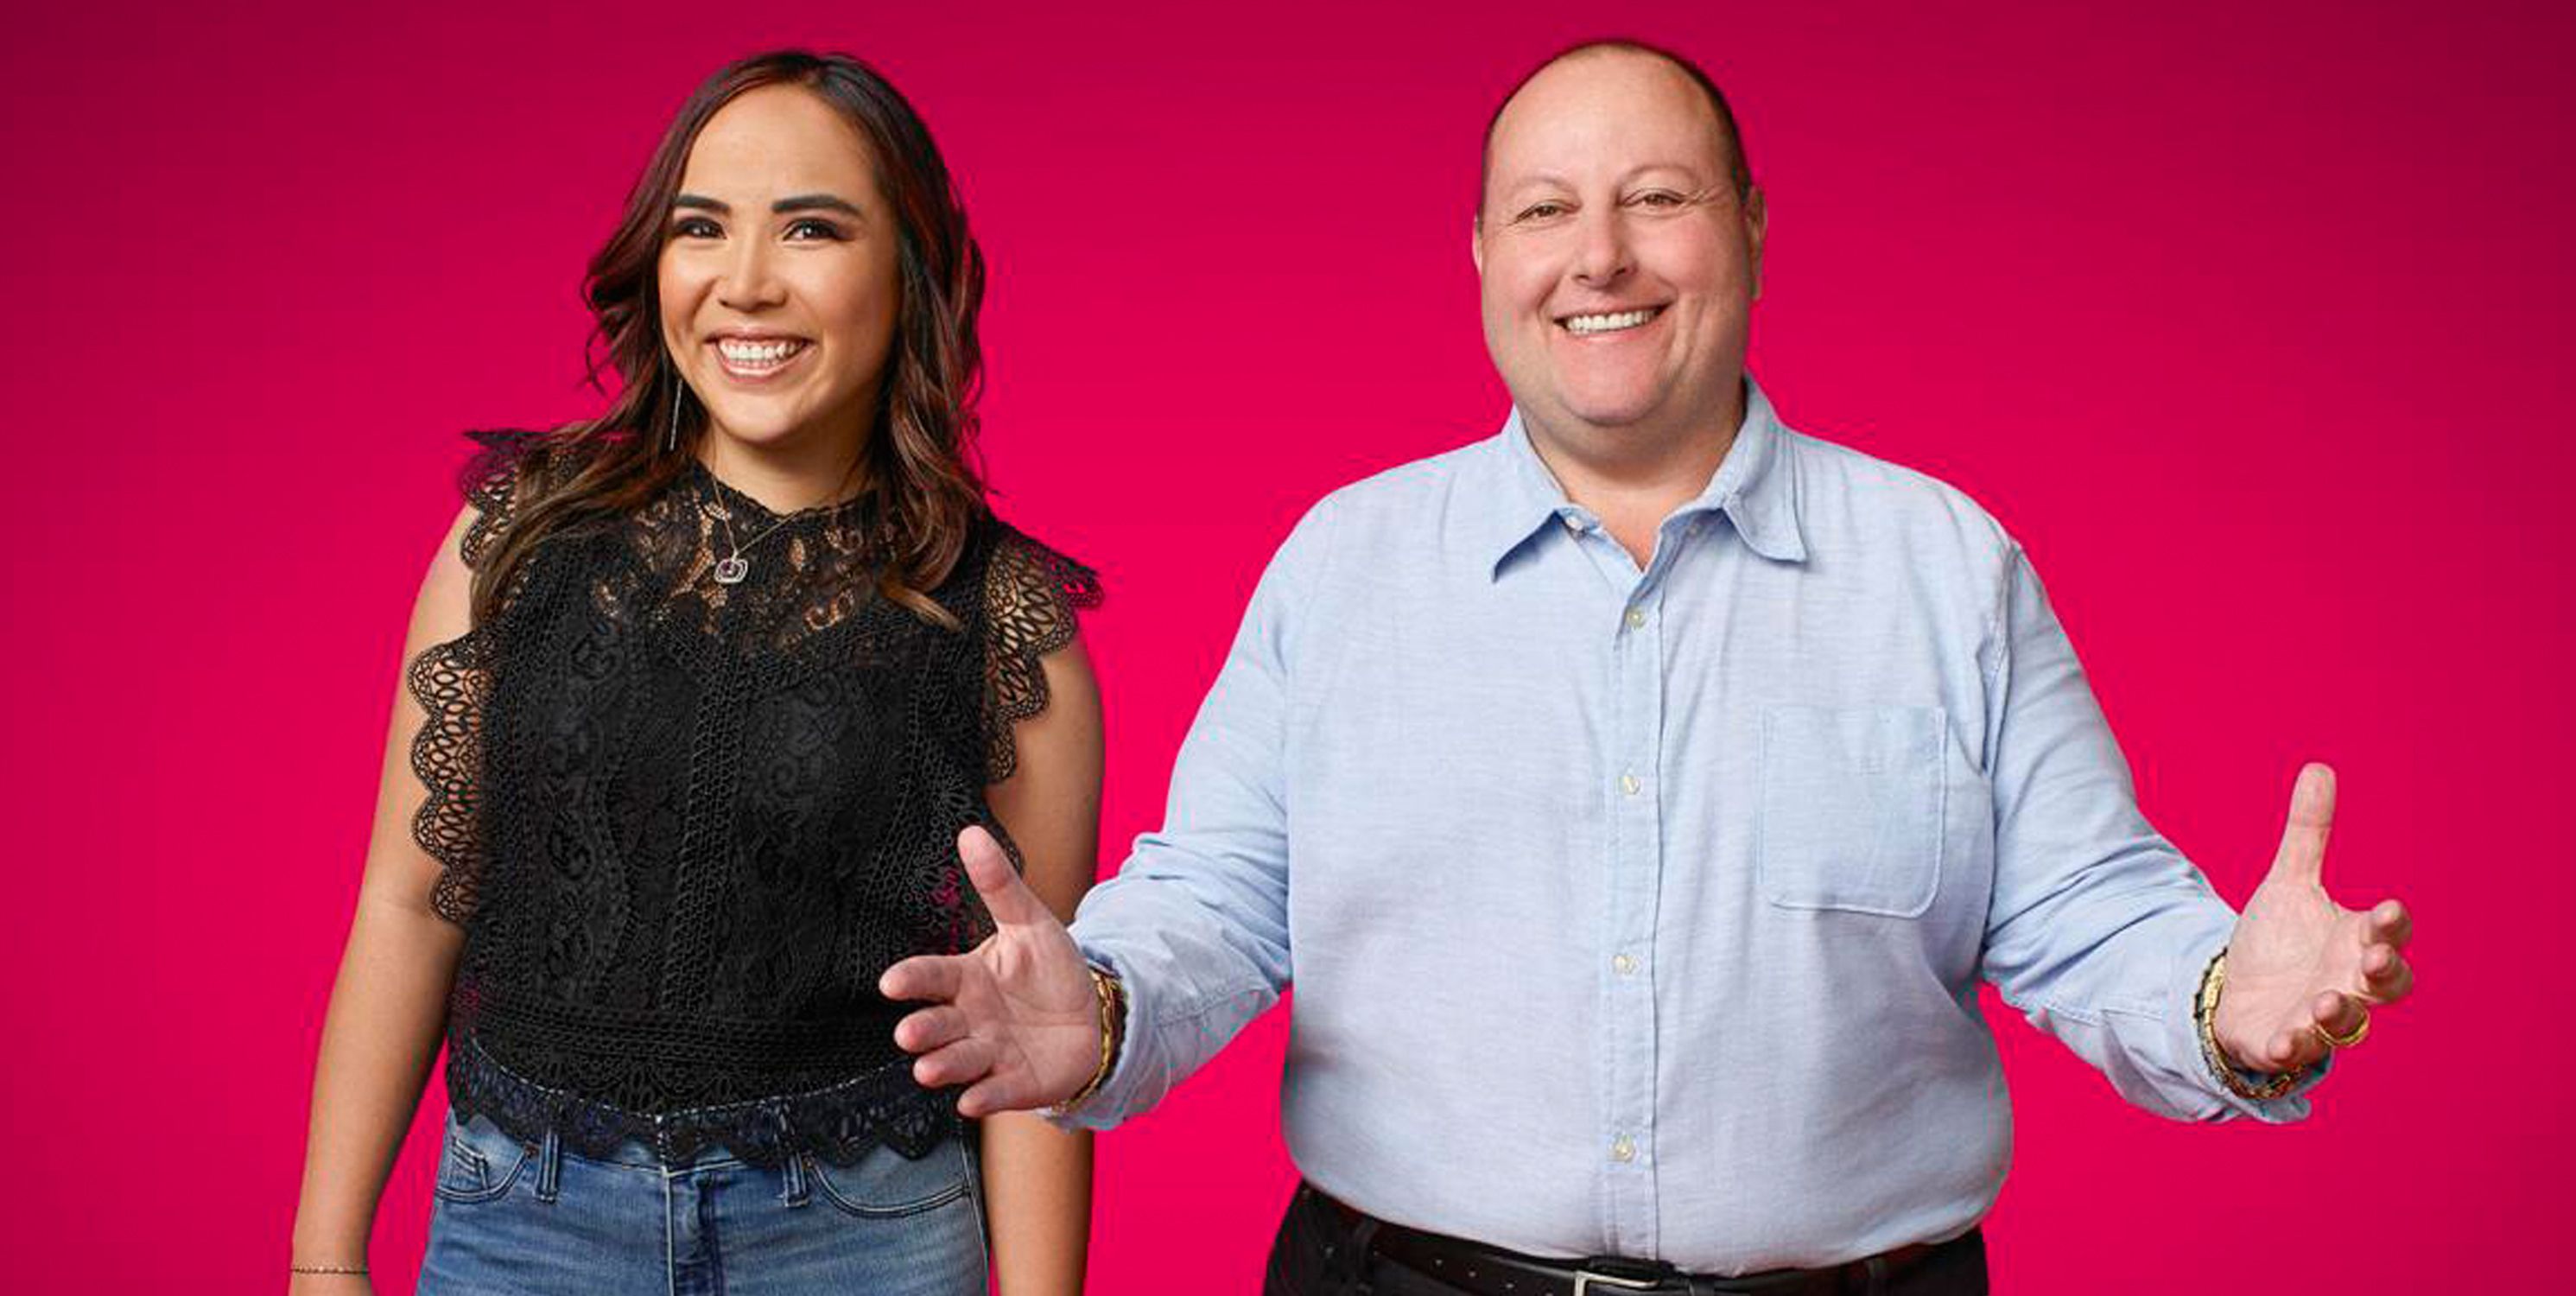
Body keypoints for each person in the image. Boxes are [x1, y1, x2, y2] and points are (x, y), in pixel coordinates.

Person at [879, 38, 2415, 1295]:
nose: (1597, 255)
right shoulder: (1344, 566)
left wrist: (2221, 1003)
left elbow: (2086, 914)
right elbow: (1218, 893)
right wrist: (1114, 1002)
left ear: (1749, 224)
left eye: (1656, 198)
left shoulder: (1947, 568)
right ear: (1483, 255)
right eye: (1544, 211)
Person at [288, 50, 1101, 1296]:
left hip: (860, 1235)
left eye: (813, 229)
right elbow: (411, 902)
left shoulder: (1002, 615)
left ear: (910, 270)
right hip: (526, 1221)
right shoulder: (517, 540)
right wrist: (326, 1263)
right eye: (701, 228)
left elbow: (1028, 1030)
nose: (746, 284)